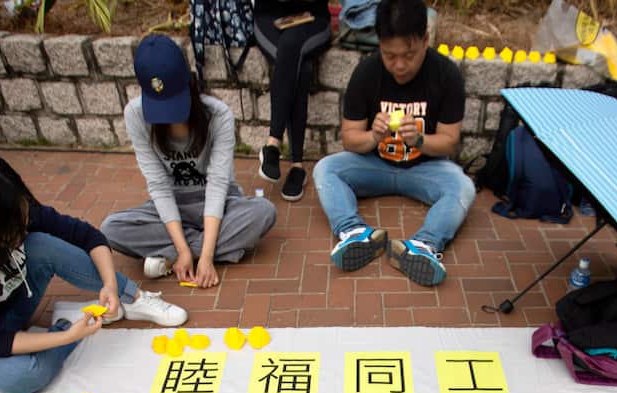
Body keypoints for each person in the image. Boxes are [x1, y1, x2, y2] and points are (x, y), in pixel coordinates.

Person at [0, 149, 186, 393]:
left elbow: (88, 237)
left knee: (43, 244)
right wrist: (68, 335)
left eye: (23, 217)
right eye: (11, 231)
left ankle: (130, 297)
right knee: (25, 377)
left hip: (11, 301)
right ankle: (66, 327)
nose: (22, 231)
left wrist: (109, 283)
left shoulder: (4, 204)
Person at [313, 0, 475, 287]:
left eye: (409, 55)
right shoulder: (367, 72)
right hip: (374, 165)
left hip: (425, 168)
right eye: (389, 55)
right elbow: (350, 138)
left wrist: (421, 140)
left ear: (426, 40)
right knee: (326, 169)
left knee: (462, 187)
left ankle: (423, 246)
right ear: (379, 44)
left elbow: (449, 142)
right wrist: (373, 136)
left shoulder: (446, 74)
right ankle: (356, 234)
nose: (399, 65)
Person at [102, 34, 277, 289]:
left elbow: (218, 183)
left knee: (263, 212)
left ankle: (173, 255)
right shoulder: (135, 114)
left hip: (218, 203)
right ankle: (204, 251)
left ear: (189, 83)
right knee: (111, 229)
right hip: (173, 207)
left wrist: (205, 257)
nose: (169, 118)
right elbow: (159, 185)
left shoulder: (218, 114)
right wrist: (184, 249)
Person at [253, 0, 332, 201]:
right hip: (269, 19)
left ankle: (273, 143)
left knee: (291, 47)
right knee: (301, 67)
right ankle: (297, 164)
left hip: (313, 18)